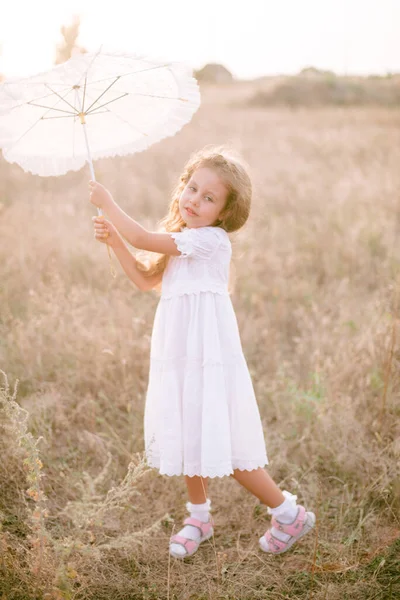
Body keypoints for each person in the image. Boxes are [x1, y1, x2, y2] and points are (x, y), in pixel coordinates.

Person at [89, 145, 316, 559]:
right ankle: (199, 517)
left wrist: (108, 202)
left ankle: (288, 513)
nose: (194, 199)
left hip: (208, 354)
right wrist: (113, 241)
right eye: (191, 188)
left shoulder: (210, 241)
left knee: (225, 443)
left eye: (208, 197)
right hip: (179, 350)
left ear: (224, 213)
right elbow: (144, 280)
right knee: (189, 428)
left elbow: (140, 235)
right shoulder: (182, 240)